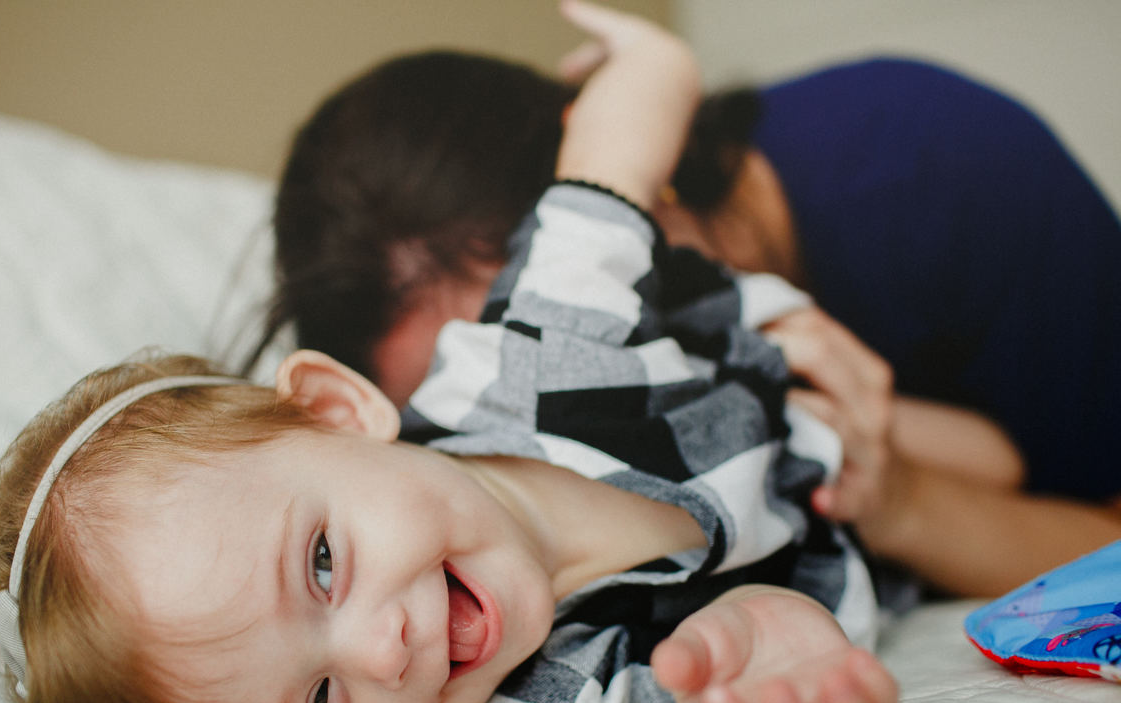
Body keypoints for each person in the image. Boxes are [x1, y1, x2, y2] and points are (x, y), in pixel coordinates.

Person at [0, 1, 896, 703]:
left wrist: (646, 62)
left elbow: (608, 170)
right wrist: (772, 641)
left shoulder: (542, 351)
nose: (381, 650)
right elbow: (710, 676)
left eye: (322, 562)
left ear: (340, 409)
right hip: (848, 518)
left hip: (769, 368)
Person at [250, 30, 1121, 601]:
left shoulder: (939, 171)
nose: (542, 433)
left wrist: (899, 497)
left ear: (628, 184)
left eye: (549, 345)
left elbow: (1075, 512)